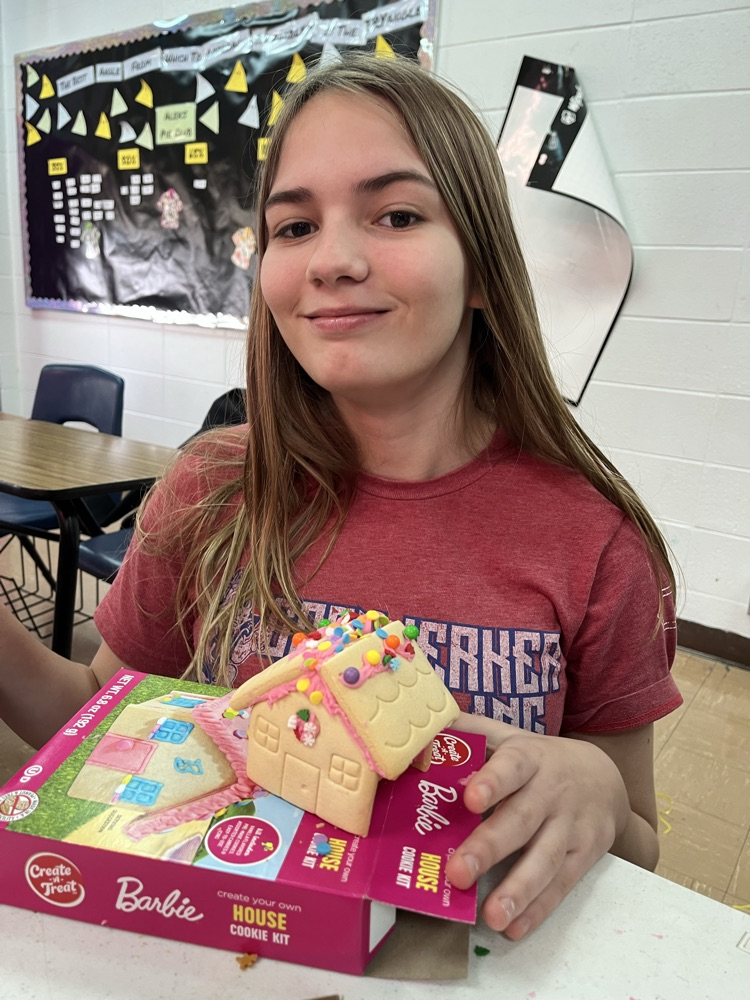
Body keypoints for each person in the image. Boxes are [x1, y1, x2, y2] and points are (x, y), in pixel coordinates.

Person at [0, 53, 682, 942]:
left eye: (397, 215)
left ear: (483, 268)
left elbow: (638, 845)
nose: (332, 260)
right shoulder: (210, 490)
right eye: (294, 226)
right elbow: (91, 723)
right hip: (227, 953)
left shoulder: (594, 539)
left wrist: (600, 790)